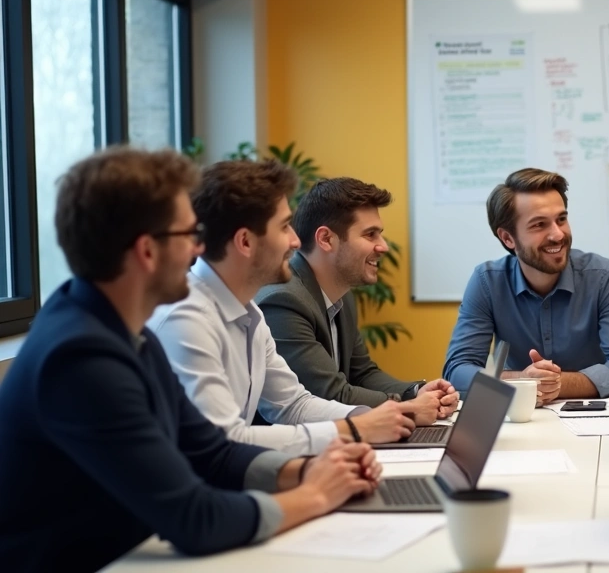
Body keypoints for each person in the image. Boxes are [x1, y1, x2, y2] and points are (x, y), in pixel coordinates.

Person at [0, 149, 380, 572]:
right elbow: (194, 518)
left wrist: (306, 471)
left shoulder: (125, 332)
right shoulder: (81, 359)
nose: (200, 248)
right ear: (147, 251)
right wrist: (316, 494)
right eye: (187, 235)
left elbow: (212, 452)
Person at [150, 160, 440, 456]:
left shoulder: (249, 313)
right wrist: (356, 429)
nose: (295, 240)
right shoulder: (185, 321)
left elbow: (293, 405)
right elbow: (224, 440)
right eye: (284, 226)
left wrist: (374, 418)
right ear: (245, 242)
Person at [257, 177, 457, 414]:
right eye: (370, 234)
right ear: (326, 239)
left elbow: (362, 373)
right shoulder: (283, 301)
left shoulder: (343, 295)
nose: (383, 246)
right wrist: (408, 407)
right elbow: (331, 394)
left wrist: (416, 392)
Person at [442, 168, 609, 404]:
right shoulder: (487, 282)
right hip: (521, 415)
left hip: (596, 413)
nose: (558, 235)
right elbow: (457, 371)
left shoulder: (606, 277)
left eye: (561, 219)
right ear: (508, 238)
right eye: (539, 225)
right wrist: (522, 381)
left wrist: (554, 384)